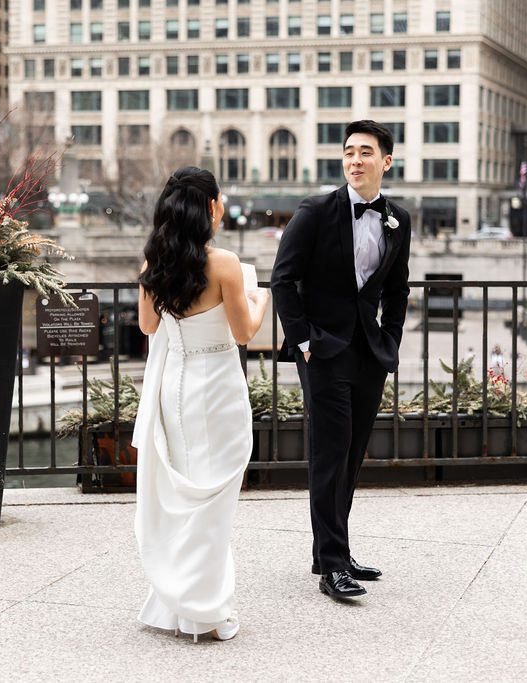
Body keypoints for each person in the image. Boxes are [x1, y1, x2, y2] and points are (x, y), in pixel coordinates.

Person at [270, 120, 412, 600]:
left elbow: (397, 289)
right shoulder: (314, 211)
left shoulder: (398, 220)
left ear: (385, 162)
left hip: (369, 352)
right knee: (330, 454)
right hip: (323, 351)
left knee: (352, 455)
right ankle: (332, 565)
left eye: (366, 152)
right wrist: (303, 341)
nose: (355, 159)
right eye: (349, 151)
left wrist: (389, 340)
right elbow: (283, 280)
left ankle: (334, 551)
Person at [132, 166, 270, 641]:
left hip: (175, 386)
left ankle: (177, 603)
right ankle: (203, 608)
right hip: (217, 388)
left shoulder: (152, 263)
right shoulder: (226, 264)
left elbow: (148, 329)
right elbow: (245, 332)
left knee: (185, 492)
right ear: (209, 207)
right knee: (214, 499)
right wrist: (261, 299)